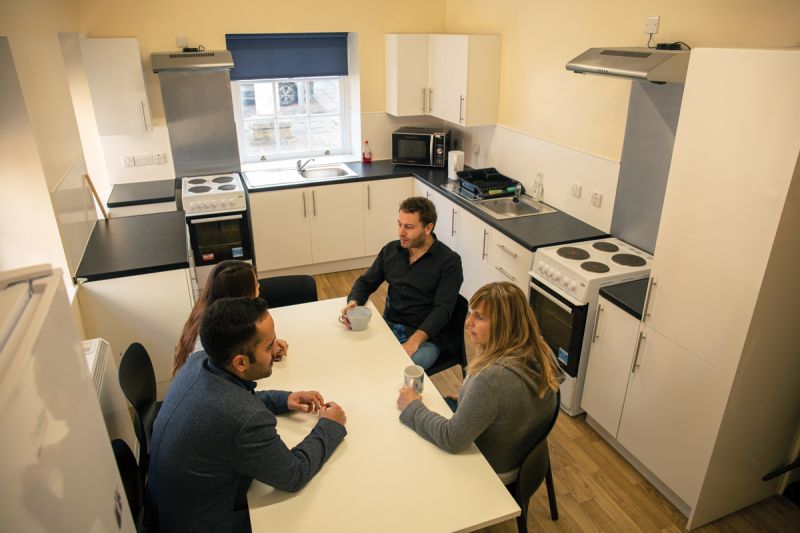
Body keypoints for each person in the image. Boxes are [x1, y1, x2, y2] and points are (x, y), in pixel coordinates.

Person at [148, 297, 347, 533]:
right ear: (240, 362)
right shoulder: (245, 420)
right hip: (205, 523)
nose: (276, 350)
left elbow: (231, 397)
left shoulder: (199, 362)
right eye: (268, 346)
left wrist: (285, 399)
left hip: (168, 508)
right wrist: (329, 425)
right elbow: (294, 474)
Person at [395, 281, 561, 485]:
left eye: (479, 317)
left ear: (504, 325)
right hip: (520, 452)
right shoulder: (541, 350)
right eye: (471, 312)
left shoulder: (491, 379)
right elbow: (511, 397)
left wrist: (412, 406)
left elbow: (451, 439)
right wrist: (473, 400)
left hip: (491, 470)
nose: (468, 322)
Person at [340, 196, 463, 369]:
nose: (401, 232)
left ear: (428, 228)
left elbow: (442, 311)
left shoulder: (449, 262)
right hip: (389, 326)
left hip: (426, 338)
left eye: (409, 227)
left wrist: (414, 342)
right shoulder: (391, 250)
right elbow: (366, 282)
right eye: (399, 224)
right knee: (354, 356)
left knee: (395, 369)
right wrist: (353, 302)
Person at [172, 260, 288, 376]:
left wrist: (266, 346)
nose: (259, 286)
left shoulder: (210, 314)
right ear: (240, 295)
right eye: (255, 284)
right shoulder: (214, 335)